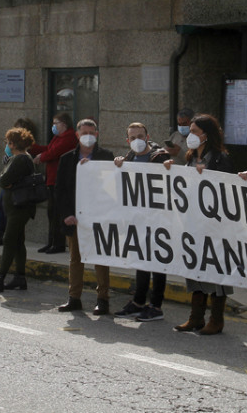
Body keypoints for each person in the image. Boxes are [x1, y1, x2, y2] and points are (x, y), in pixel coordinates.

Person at [165, 114, 234, 335]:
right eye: (190, 131)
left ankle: (216, 319)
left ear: (207, 134)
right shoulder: (190, 157)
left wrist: (209, 177)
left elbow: (227, 188)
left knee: (215, 271)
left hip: (214, 226)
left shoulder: (220, 158)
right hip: (192, 224)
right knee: (195, 269)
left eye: (195, 131)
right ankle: (196, 317)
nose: (190, 135)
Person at [56, 119, 115, 315]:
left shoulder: (106, 156)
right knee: (75, 259)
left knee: (100, 258)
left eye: (91, 132)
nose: (88, 135)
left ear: (97, 134)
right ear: (77, 135)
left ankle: (103, 299)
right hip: (75, 218)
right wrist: (66, 215)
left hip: (98, 217)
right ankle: (74, 297)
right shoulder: (66, 159)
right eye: (84, 132)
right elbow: (60, 191)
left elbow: (112, 188)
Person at [113, 122, 171, 322]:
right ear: (127, 141)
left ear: (148, 137)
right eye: (133, 137)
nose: (137, 140)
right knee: (141, 260)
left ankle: (155, 306)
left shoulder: (160, 157)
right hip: (137, 219)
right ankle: (138, 302)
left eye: (141, 136)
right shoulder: (128, 157)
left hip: (158, 219)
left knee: (157, 262)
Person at [0, 127, 38, 293]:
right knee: (17, 241)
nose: (7, 145)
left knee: (9, 239)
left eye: (9, 142)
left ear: (13, 144)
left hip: (18, 208)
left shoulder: (20, 160)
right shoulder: (22, 158)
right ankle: (19, 277)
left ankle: (0, 278)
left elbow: (3, 180)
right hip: (18, 207)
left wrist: (6, 181)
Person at [30, 113, 77, 254]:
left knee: (57, 213)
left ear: (64, 124)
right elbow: (48, 149)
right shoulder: (58, 137)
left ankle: (58, 243)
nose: (54, 126)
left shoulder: (69, 137)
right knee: (51, 213)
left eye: (56, 123)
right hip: (51, 179)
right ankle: (51, 242)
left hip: (59, 180)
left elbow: (54, 153)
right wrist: (32, 147)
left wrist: (41, 157)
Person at [0, 117, 38, 247]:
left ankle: (0, 235)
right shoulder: (13, 153)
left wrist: (4, 179)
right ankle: (0, 233)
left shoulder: (23, 156)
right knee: (0, 207)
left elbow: (4, 179)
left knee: (11, 241)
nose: (9, 144)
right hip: (10, 189)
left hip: (17, 192)